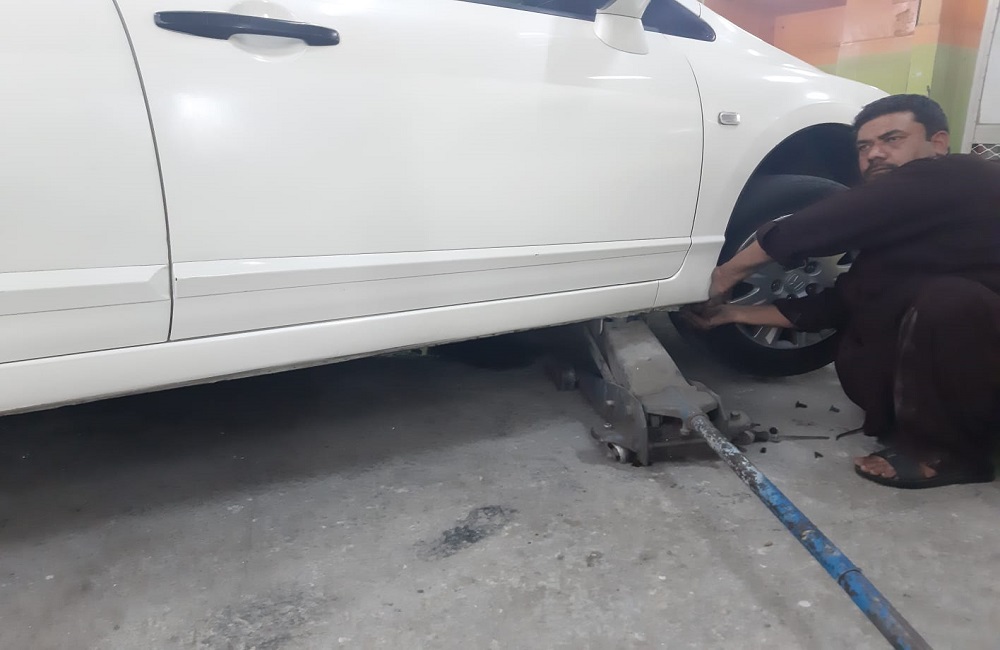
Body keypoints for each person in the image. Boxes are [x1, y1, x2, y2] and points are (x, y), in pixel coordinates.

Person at [684, 94, 1000, 489]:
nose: (874, 154)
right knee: (926, 299)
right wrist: (733, 313)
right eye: (864, 147)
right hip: (939, 385)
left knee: (951, 301)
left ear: (938, 143)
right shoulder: (908, 229)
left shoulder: (966, 174)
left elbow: (828, 220)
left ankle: (951, 456)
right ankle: (925, 424)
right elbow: (846, 301)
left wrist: (726, 274)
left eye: (892, 139)